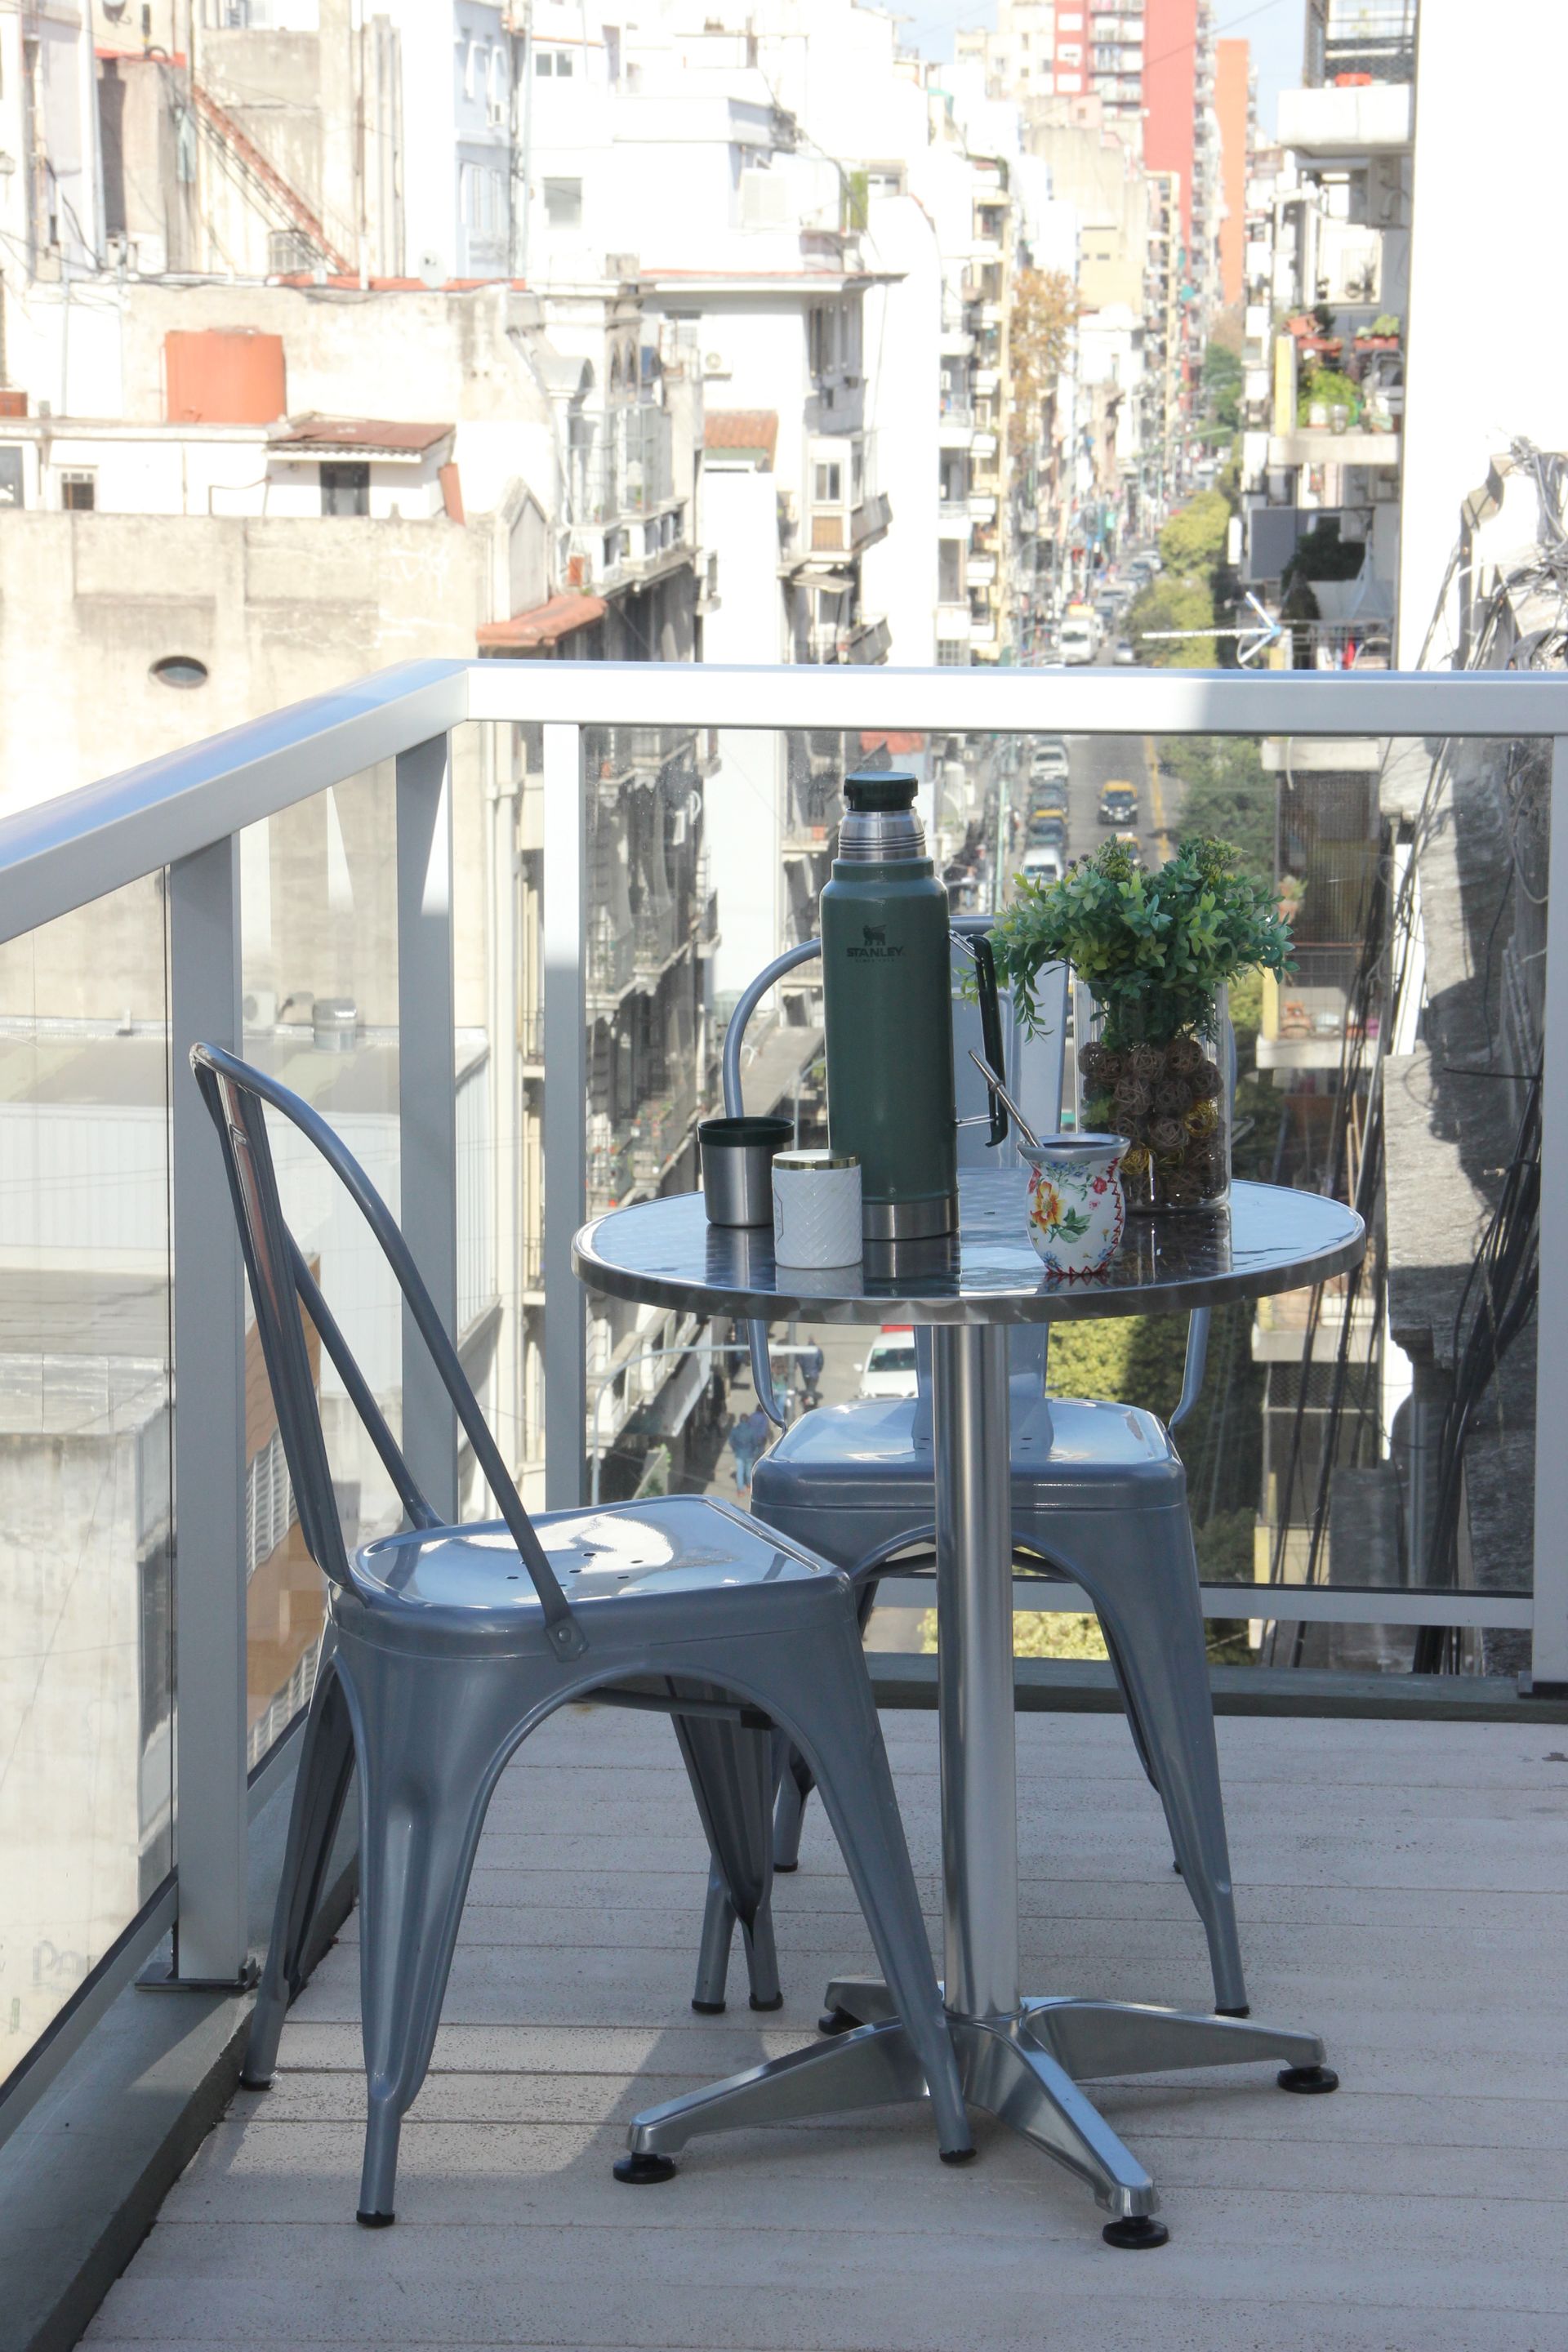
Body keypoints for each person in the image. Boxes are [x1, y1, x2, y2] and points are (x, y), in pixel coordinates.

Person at [729, 1404, 768, 1492]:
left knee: (740, 1471)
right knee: (748, 1470)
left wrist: (735, 1449)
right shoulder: (754, 1428)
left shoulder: (736, 1429)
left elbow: (731, 1441)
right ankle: (749, 1485)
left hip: (739, 1454)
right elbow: (755, 1440)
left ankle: (740, 1490)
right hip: (750, 1453)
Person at [798, 1341, 824, 1408]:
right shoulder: (818, 1351)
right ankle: (810, 1405)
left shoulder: (805, 1351)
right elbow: (820, 1361)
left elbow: (801, 1362)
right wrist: (818, 1369)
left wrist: (804, 1370)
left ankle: (808, 1403)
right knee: (811, 1389)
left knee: (808, 1388)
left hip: (806, 1374)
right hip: (814, 1374)